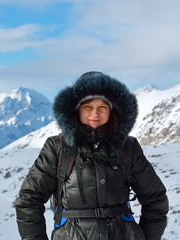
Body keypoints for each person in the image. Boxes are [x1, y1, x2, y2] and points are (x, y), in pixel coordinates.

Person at [15, 71, 168, 240]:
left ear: (112, 110)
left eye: (102, 107)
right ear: (76, 109)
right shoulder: (57, 148)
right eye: (87, 107)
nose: (95, 114)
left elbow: (155, 199)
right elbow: (28, 201)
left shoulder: (128, 147)